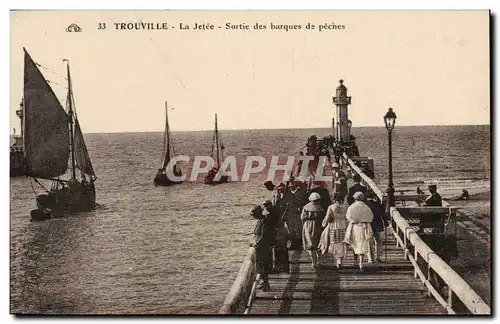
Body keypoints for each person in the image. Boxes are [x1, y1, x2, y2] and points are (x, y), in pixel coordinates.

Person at [343, 192, 374, 271]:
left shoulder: (351, 207)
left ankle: (355, 260)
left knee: (354, 242)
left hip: (355, 226)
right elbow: (371, 217)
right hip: (364, 226)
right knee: (362, 243)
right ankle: (361, 263)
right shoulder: (366, 207)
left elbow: (348, 217)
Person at [318, 193, 348, 268]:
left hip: (334, 226)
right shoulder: (346, 207)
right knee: (342, 243)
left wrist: (324, 223)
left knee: (335, 243)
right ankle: (341, 260)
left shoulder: (331, 207)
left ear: (334, 199)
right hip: (344, 226)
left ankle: (338, 260)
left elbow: (328, 217)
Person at [263, 199, 289, 273]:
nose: (266, 208)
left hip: (278, 233)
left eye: (266, 206)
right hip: (279, 232)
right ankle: (283, 268)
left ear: (270, 205)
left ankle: (281, 268)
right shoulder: (275, 211)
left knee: (280, 251)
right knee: (280, 251)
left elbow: (271, 224)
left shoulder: (272, 213)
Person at [250, 205, 273, 291]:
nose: (253, 216)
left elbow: (263, 235)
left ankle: (266, 284)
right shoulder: (261, 220)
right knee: (260, 265)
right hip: (261, 246)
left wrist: (257, 243)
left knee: (262, 265)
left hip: (263, 246)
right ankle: (264, 282)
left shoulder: (264, 221)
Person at [300, 192, 326, 268]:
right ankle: (319, 261)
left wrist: (304, 225)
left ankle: (313, 262)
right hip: (317, 225)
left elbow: (302, 217)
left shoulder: (306, 207)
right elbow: (323, 218)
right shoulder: (320, 208)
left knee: (309, 243)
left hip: (307, 225)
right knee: (318, 243)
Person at [283, 181, 307, 250]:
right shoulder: (290, 193)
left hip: (296, 214)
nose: (291, 188)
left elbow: (302, 203)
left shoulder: (299, 194)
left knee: (296, 230)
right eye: (290, 187)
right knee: (292, 230)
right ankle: (295, 244)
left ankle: (297, 244)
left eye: (292, 187)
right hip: (290, 215)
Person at [365, 191, 387, 262]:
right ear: (373, 197)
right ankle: (378, 256)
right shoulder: (377, 204)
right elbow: (383, 214)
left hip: (368, 224)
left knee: (369, 241)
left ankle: (371, 258)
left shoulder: (365, 205)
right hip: (377, 224)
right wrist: (385, 222)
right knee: (378, 240)